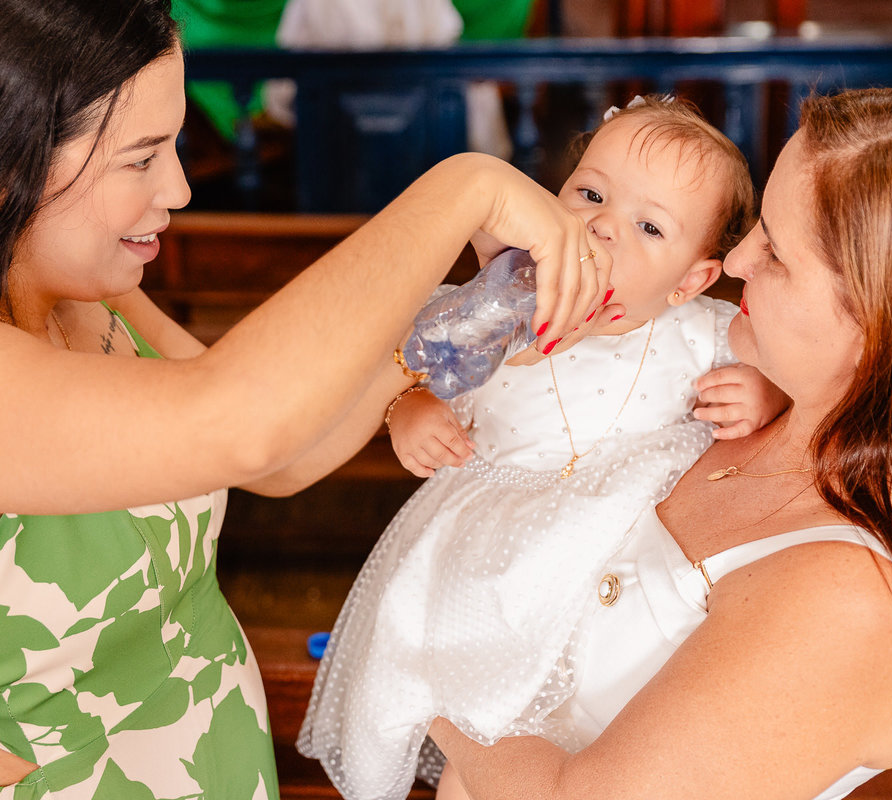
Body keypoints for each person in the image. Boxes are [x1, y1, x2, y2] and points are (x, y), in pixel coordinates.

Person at [0, 0, 612, 797]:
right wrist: (465, 188)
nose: (179, 188)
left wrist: (445, 334)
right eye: (141, 159)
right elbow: (237, 423)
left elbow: (277, 459)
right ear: (4, 165)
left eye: (174, 147)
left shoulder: (89, 295)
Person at [425, 88, 892, 799]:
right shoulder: (736, 397)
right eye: (758, 227)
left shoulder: (857, 600)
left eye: (776, 253)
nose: (735, 261)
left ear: (883, 324)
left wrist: (419, 677)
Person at [297, 95, 788, 800]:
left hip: (615, 587)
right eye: (590, 194)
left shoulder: (700, 334)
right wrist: (410, 412)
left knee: (598, 736)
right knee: (480, 744)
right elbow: (415, 373)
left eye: (649, 226)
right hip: (495, 573)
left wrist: (763, 394)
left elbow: (787, 375)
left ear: (690, 280)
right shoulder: (498, 312)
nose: (604, 226)